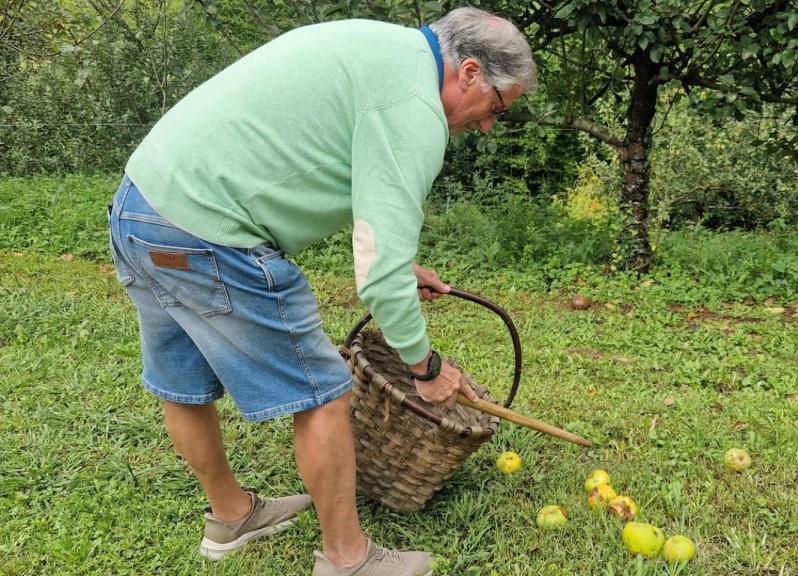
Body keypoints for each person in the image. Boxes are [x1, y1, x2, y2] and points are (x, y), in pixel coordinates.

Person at [106, 7, 536, 576]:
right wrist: (425, 369)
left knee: (181, 381)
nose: (487, 126)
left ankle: (232, 517)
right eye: (497, 108)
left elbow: (317, 156)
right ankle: (348, 560)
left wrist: (398, 262)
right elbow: (377, 279)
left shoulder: (383, 49)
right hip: (208, 231)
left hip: (142, 206)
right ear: (471, 72)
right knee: (326, 395)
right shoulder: (414, 106)